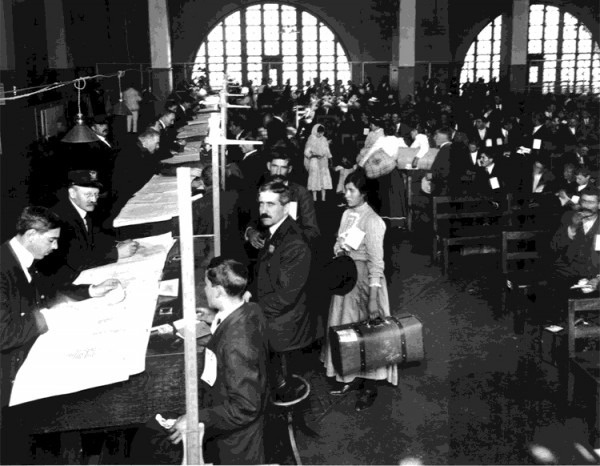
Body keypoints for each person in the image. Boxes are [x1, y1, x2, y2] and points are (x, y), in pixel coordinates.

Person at [1, 206, 120, 462]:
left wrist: (90, 291)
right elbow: (4, 334)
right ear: (32, 234)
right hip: (9, 376)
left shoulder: (21, 259)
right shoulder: (2, 268)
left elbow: (46, 292)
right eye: (51, 240)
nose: (55, 247)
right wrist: (49, 317)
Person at [168, 257, 268, 465]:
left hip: (238, 444)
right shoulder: (250, 309)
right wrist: (214, 318)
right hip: (227, 411)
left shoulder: (236, 345)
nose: (205, 290)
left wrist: (197, 418)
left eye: (206, 285)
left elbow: (245, 407)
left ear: (219, 291)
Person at [321, 170, 398, 411]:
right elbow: (338, 242)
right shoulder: (346, 214)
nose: (346, 194)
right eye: (346, 189)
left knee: (369, 333)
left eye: (351, 190)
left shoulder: (374, 221)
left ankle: (370, 386)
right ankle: (352, 377)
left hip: (366, 283)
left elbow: (377, 264)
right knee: (347, 329)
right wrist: (339, 249)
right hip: (347, 278)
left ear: (364, 193)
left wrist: (373, 299)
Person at [248, 181, 314, 402]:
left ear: (286, 207)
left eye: (271, 204)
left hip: (286, 321)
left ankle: (276, 393)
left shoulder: (294, 242)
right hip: (276, 310)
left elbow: (285, 297)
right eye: (261, 204)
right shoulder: (275, 231)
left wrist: (249, 308)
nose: (264, 210)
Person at [36, 170, 138, 289]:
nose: (94, 200)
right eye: (88, 195)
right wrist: (116, 253)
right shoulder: (60, 219)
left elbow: (95, 237)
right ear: (72, 193)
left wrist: (117, 244)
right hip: (61, 283)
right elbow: (75, 260)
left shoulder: (82, 208)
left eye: (96, 195)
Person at [304, 123, 333, 202]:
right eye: (319, 132)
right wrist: (313, 154)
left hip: (323, 161)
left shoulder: (324, 139)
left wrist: (329, 158)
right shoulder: (311, 139)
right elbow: (307, 152)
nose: (320, 134)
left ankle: (323, 197)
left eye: (322, 133)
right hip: (314, 160)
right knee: (314, 177)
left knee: (323, 177)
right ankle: (314, 197)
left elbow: (327, 150)